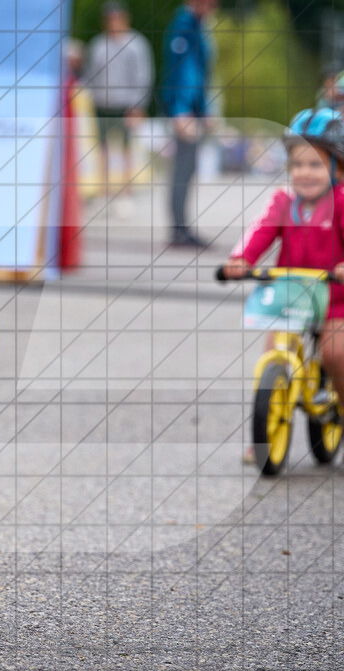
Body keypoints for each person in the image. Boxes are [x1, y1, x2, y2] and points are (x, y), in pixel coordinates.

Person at [222, 108, 344, 463]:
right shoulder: (282, 202)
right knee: (273, 349)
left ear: (337, 167)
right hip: (290, 296)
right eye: (297, 164)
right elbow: (259, 232)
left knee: (336, 354)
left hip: (335, 300)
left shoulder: (340, 202)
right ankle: (262, 433)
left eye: (315, 164)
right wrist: (241, 259)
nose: (304, 173)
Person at [158, 0, 219, 249]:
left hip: (193, 110)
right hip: (183, 111)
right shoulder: (183, 25)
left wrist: (205, 110)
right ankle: (178, 229)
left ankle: (182, 227)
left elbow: (201, 74)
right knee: (182, 170)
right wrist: (180, 111)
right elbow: (181, 72)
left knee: (188, 168)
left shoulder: (197, 26)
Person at [83, 1, 153, 198]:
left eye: (116, 17)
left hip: (126, 105)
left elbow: (143, 76)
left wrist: (138, 105)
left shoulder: (136, 44)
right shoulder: (97, 45)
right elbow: (91, 75)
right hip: (101, 104)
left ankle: (126, 192)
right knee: (102, 150)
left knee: (126, 150)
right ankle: (104, 192)